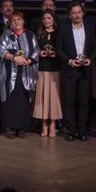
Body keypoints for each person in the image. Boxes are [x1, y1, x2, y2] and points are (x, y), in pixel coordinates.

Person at [55, 1, 96, 141]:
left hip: (85, 71)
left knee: (84, 102)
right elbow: (59, 50)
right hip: (70, 70)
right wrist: (69, 61)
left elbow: (95, 49)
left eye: (79, 12)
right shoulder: (63, 28)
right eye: (73, 13)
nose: (77, 15)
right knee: (69, 102)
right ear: (69, 15)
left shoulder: (90, 27)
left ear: (83, 13)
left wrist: (90, 60)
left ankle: (82, 130)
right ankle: (72, 130)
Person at [0, 11, 39, 139]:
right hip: (10, 71)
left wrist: (29, 60)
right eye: (13, 20)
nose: (16, 22)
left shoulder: (30, 35)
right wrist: (14, 58)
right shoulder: (6, 34)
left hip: (26, 72)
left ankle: (21, 128)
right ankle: (9, 127)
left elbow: (36, 50)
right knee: (11, 98)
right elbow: (0, 50)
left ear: (23, 21)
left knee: (23, 99)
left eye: (19, 19)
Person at [32, 9, 62, 138]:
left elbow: (63, 50)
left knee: (54, 98)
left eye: (49, 18)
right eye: (44, 19)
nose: (46, 21)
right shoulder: (39, 34)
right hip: (42, 69)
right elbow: (33, 50)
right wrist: (40, 54)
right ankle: (44, 124)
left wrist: (57, 54)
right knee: (43, 97)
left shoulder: (59, 34)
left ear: (53, 20)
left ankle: (53, 124)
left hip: (55, 68)